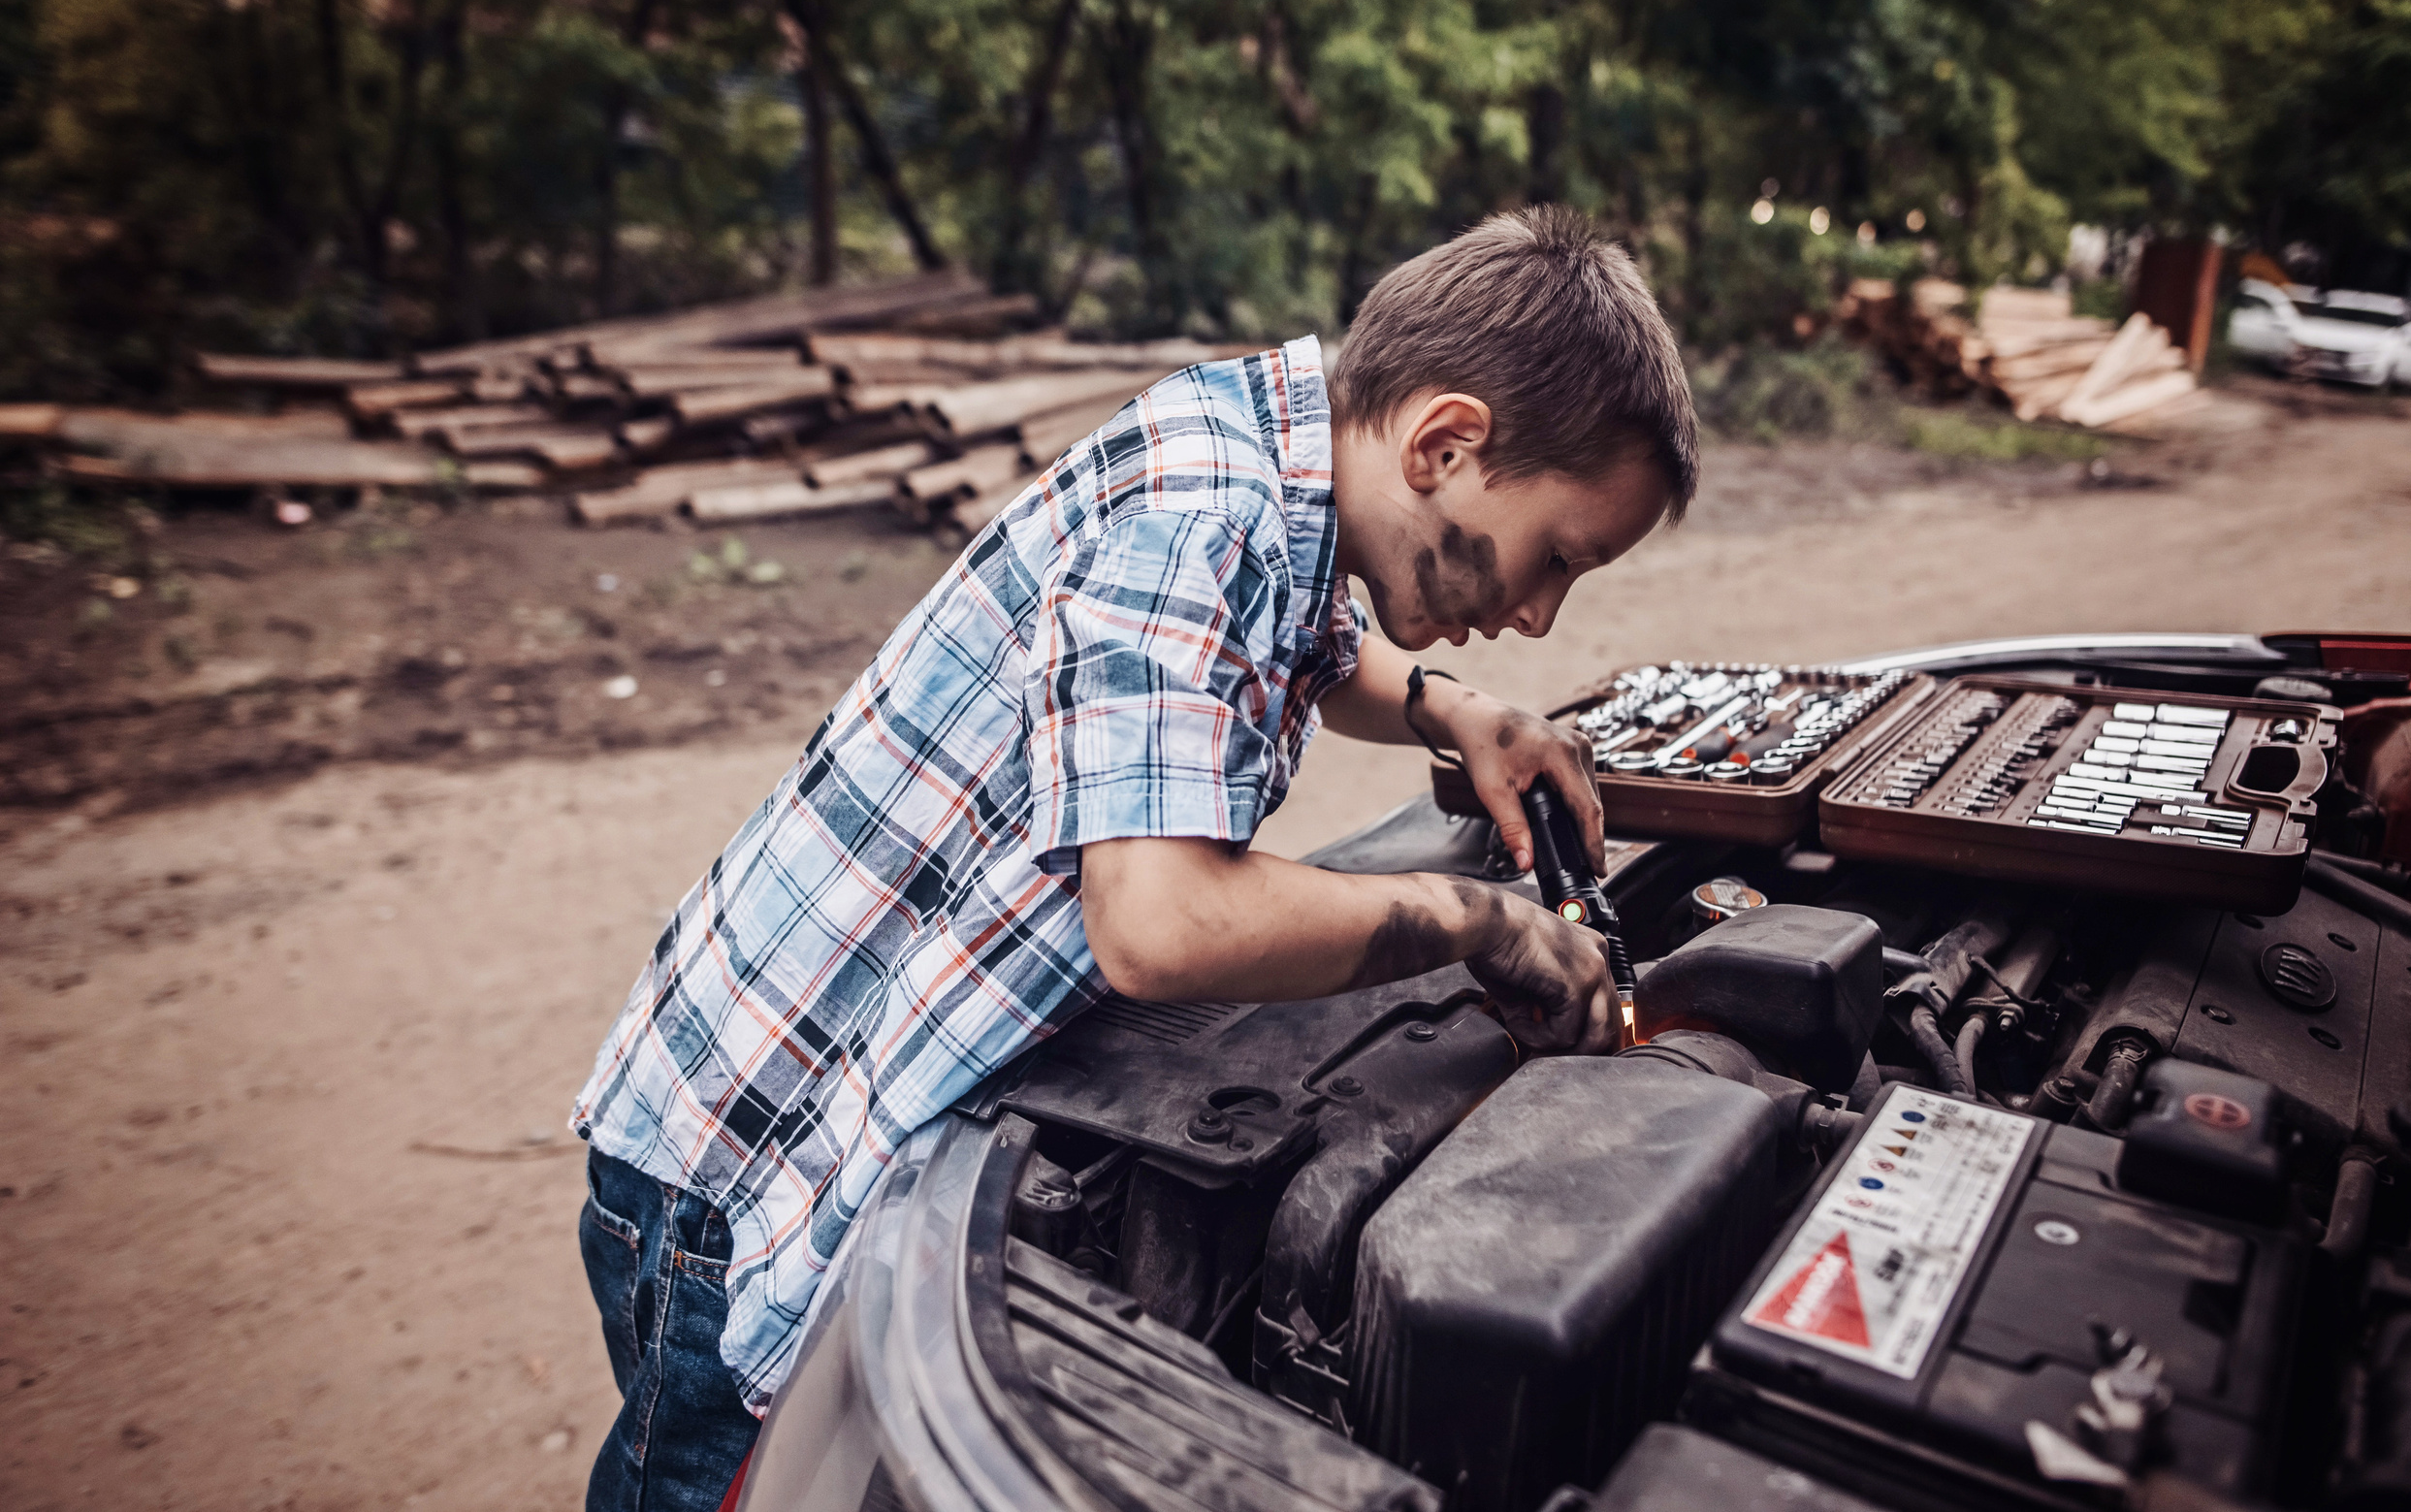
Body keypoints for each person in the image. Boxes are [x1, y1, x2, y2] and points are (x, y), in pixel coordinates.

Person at [569, 204, 1699, 1511]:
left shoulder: (1278, 471)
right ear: (1446, 442)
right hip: (746, 1160)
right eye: (1553, 556)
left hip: (763, 1083)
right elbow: (1157, 922)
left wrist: (1455, 711)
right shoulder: (1199, 513)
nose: (1537, 612)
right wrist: (1475, 920)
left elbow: (1316, 649)